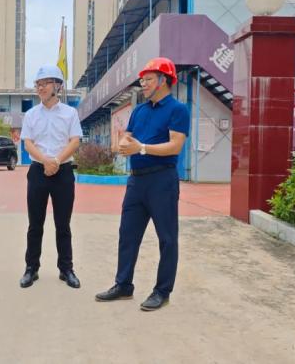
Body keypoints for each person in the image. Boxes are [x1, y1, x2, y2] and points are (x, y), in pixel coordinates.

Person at [95, 57, 190, 311]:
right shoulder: (139, 110)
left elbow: (175, 145)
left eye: (148, 79)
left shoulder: (178, 110)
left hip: (162, 180)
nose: (143, 84)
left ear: (163, 80)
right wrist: (124, 143)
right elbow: (127, 138)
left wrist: (142, 148)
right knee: (127, 234)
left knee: (167, 238)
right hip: (136, 182)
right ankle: (123, 285)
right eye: (142, 80)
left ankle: (162, 291)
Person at [19, 65, 83, 289]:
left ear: (58, 86)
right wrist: (45, 161)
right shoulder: (31, 114)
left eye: (45, 83)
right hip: (38, 171)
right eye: (38, 84)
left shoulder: (70, 113)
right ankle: (31, 268)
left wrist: (56, 161)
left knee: (63, 224)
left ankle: (66, 269)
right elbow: (28, 143)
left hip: (63, 172)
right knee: (35, 224)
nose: (40, 88)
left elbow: (74, 141)